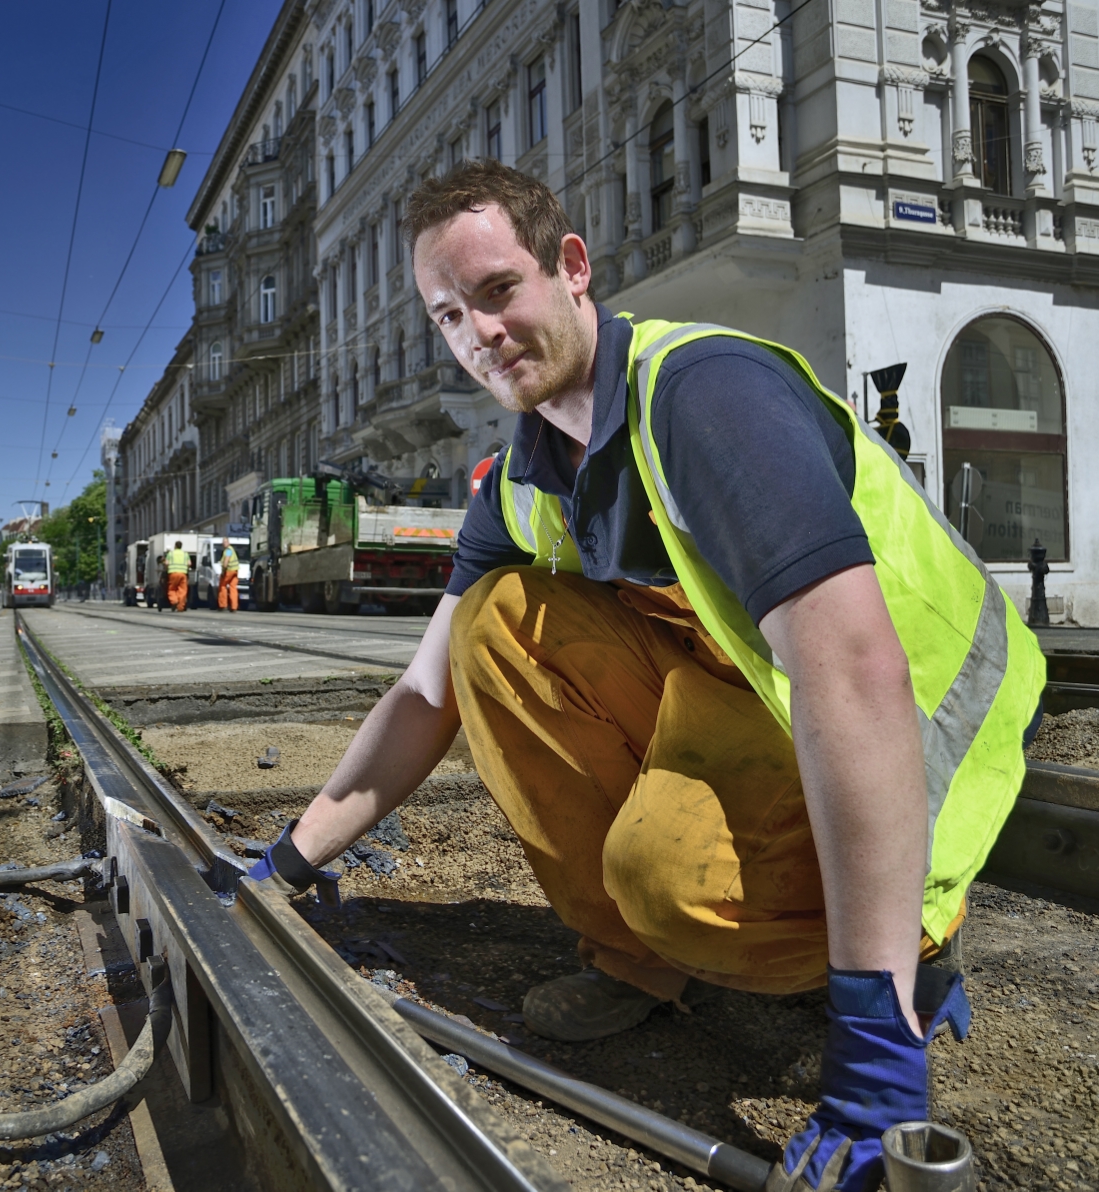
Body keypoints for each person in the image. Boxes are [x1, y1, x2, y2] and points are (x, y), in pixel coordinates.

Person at [249, 161, 1044, 1192]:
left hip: (920, 739)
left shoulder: (703, 396)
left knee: (666, 881)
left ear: (569, 268)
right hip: (766, 709)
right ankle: (640, 957)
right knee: (494, 628)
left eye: (497, 292)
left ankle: (912, 947)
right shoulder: (522, 477)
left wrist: (874, 1045)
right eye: (449, 315)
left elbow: (854, 677)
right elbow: (424, 693)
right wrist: (287, 864)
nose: (477, 334)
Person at [165, 540, 190, 612]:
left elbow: (166, 563)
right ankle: (180, 607)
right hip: (183, 574)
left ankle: (174, 601)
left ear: (175, 546)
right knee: (183, 591)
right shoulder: (185, 554)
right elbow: (189, 563)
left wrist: (167, 569)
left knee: (172, 589)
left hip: (173, 573)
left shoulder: (171, 553)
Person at [217, 537, 240, 612]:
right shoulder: (231, 549)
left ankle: (223, 605)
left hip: (229, 571)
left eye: (225, 542)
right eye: (223, 542)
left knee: (222, 586)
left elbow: (226, 561)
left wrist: (223, 571)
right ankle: (234, 607)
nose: (224, 543)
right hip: (235, 571)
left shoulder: (228, 550)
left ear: (228, 542)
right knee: (233, 588)